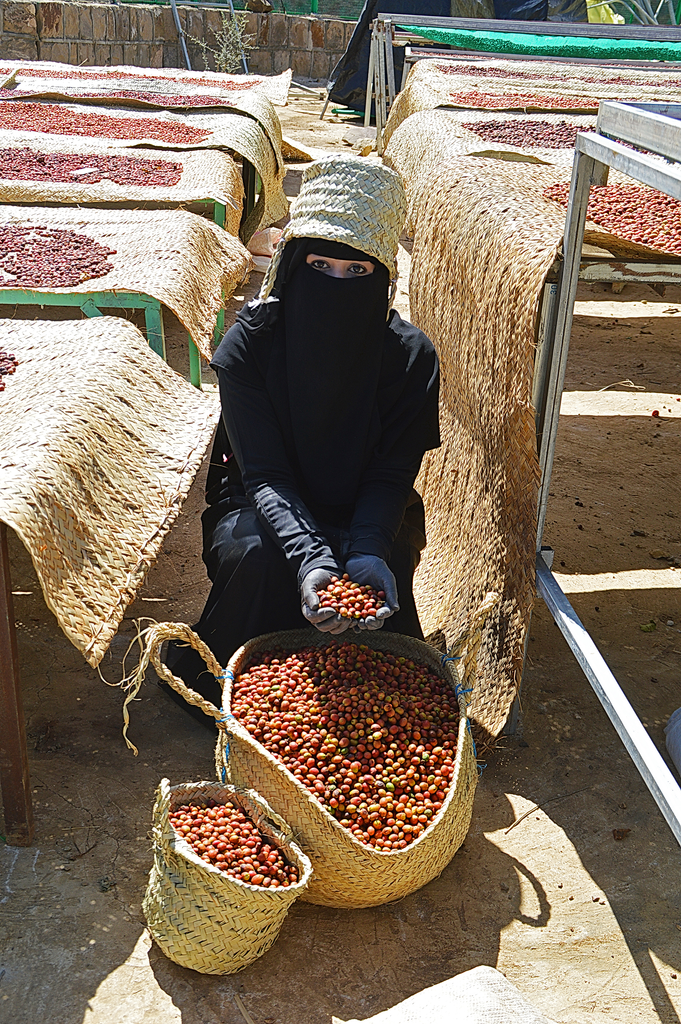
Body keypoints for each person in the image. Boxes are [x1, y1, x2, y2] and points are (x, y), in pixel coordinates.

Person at [164, 155, 440, 715]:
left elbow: (391, 473)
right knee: (262, 559)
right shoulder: (250, 347)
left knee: (377, 595)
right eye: (322, 265)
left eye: (357, 272)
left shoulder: (410, 357)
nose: (338, 284)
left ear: (382, 278)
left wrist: (366, 549)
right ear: (292, 265)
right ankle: (233, 667)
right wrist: (313, 558)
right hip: (259, 503)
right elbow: (263, 474)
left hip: (371, 503)